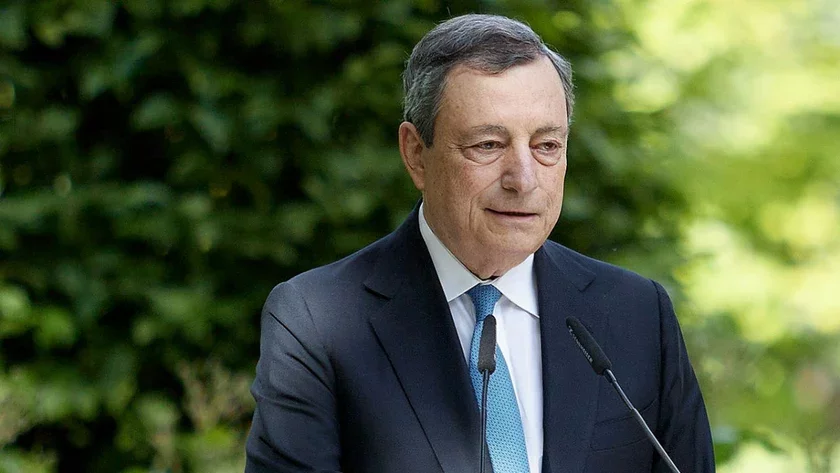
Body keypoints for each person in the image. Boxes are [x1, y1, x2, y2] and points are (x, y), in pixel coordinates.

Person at [245, 13, 715, 473]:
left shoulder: (637, 314)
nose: (523, 180)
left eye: (546, 146)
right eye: (488, 145)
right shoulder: (317, 320)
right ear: (416, 154)